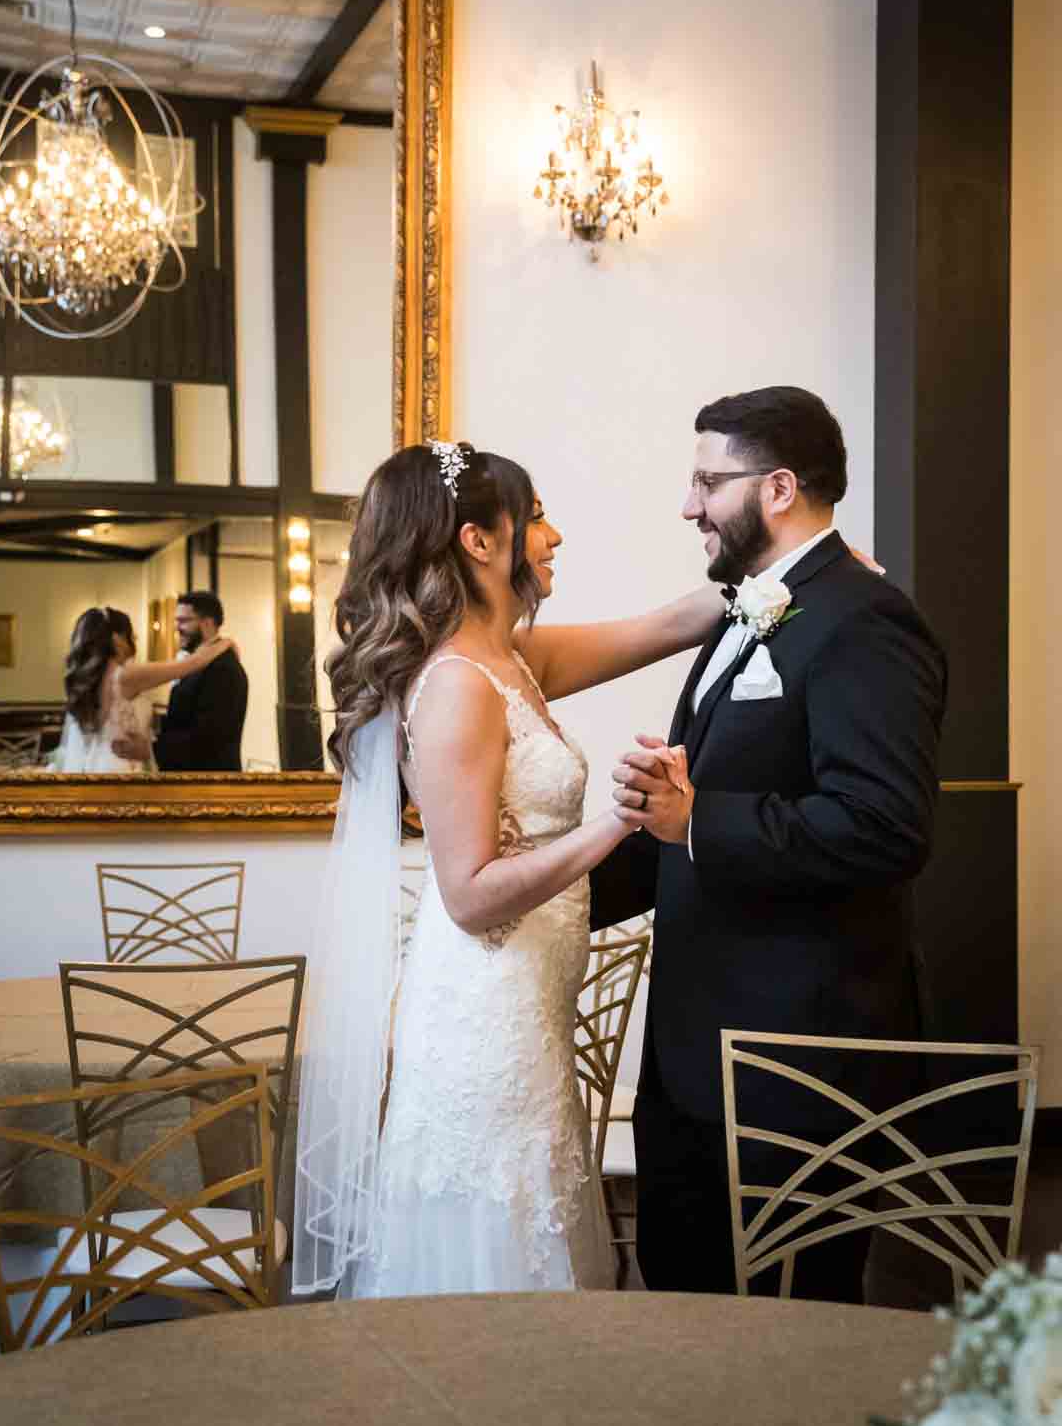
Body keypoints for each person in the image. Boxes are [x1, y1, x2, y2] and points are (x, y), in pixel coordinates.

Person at [293, 441, 722, 1300]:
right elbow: (470, 895)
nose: (554, 535)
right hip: (483, 1021)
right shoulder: (457, 684)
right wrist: (618, 820)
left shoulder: (512, 659)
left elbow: (665, 627)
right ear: (478, 542)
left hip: (528, 1010)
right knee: (497, 1251)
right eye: (534, 518)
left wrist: (790, 575)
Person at [593, 385, 947, 1304]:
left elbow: (884, 825)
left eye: (708, 482)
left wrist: (699, 818)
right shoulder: (762, 605)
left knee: (787, 1336)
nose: (688, 505)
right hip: (699, 1055)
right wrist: (534, 899)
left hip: (798, 1065)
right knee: (688, 1304)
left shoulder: (864, 620)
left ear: (778, 487)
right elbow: (689, 819)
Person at [51, 605, 236, 774]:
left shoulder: (90, 679)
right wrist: (224, 644)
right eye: (130, 635)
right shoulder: (124, 676)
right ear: (117, 639)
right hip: (119, 767)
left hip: (93, 765)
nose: (135, 639)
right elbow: (189, 665)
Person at [112, 591, 249, 773]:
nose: (176, 627)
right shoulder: (196, 664)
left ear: (207, 623)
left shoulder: (223, 669)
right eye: (176, 621)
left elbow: (210, 738)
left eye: (184, 621)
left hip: (210, 781)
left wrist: (151, 749)